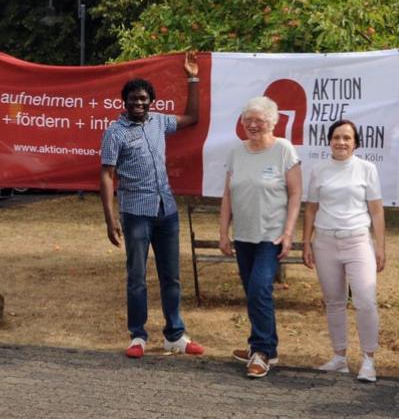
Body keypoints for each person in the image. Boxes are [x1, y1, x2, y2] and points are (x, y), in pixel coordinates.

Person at [99, 52, 205, 359]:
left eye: (144, 99)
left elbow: (193, 118)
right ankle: (138, 336)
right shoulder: (115, 133)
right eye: (133, 99)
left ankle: (175, 335)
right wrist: (110, 219)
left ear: (152, 101)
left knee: (171, 276)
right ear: (125, 102)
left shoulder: (159, 122)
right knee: (136, 277)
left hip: (166, 211)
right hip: (135, 213)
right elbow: (106, 175)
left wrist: (193, 78)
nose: (139, 104)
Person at [218, 96, 301, 379]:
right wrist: (223, 232)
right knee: (252, 292)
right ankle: (265, 346)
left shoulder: (284, 150)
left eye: (259, 120)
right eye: (248, 120)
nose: (253, 125)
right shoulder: (236, 152)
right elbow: (228, 194)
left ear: (273, 122)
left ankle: (261, 352)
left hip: (272, 236)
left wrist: (289, 232)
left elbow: (296, 194)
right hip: (243, 236)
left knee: (259, 290)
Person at [302, 119, 385, 383]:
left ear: (355, 143)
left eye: (347, 138)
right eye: (337, 137)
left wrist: (380, 246)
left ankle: (369, 360)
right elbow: (312, 208)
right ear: (329, 141)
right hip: (325, 242)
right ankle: (339, 357)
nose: (341, 142)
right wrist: (306, 242)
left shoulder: (366, 169)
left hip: (358, 241)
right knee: (334, 302)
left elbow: (376, 210)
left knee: (365, 300)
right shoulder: (319, 169)